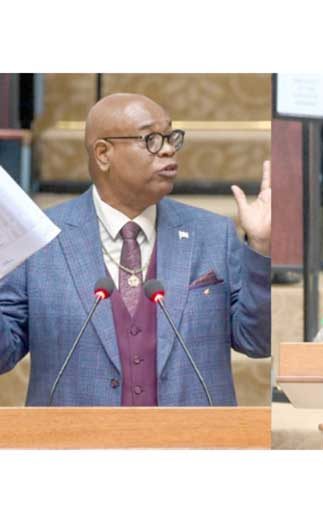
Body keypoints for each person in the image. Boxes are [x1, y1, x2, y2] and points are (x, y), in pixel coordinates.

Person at [0, 93, 271, 406]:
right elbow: (4, 354)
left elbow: (257, 341)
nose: (168, 148)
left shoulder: (212, 234)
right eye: (152, 139)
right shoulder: (43, 239)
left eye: (171, 137)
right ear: (103, 154)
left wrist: (261, 246)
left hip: (191, 445)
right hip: (76, 446)